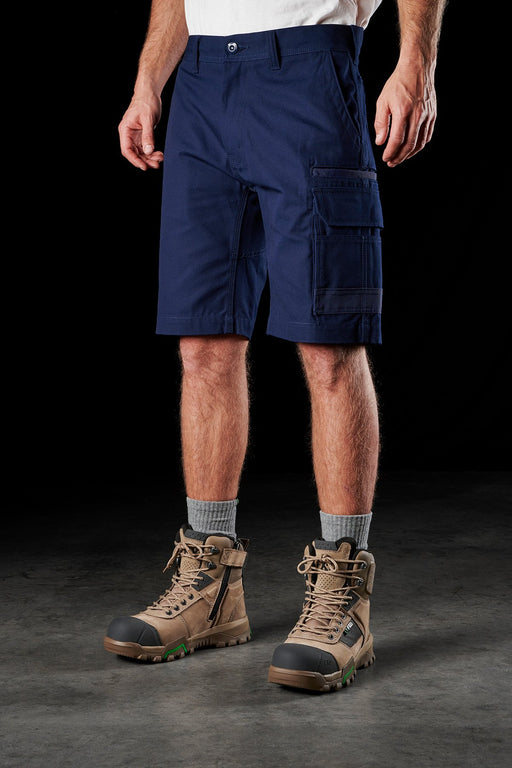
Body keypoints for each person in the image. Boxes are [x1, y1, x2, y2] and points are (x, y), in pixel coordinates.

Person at [104, 0, 446, 692]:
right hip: (201, 82)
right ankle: (212, 588)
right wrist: (149, 81)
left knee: (329, 344)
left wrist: (418, 61)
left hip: (310, 71)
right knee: (203, 344)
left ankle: (343, 592)